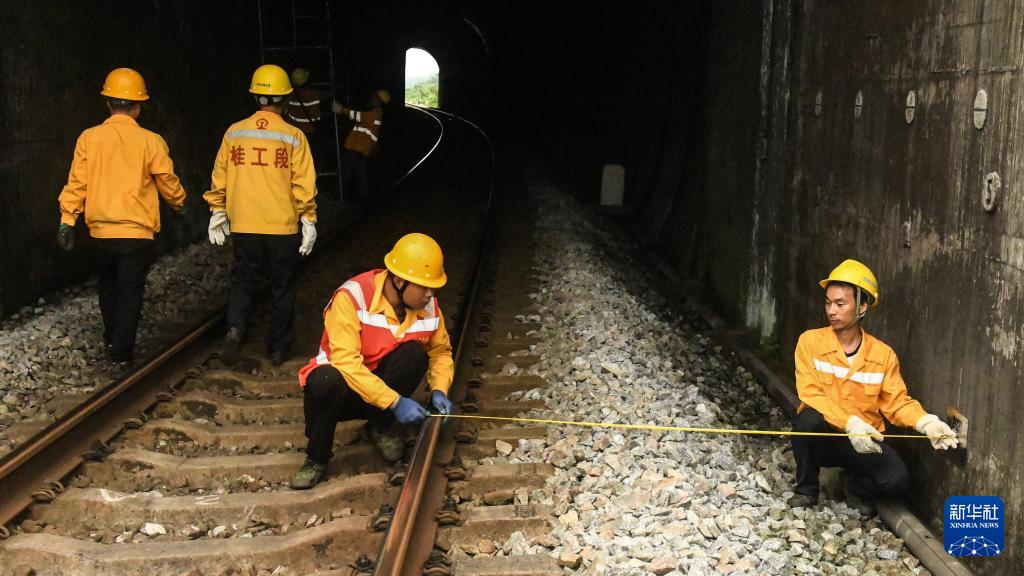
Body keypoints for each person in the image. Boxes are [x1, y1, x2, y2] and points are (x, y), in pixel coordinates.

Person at [788, 259, 959, 513]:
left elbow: (896, 402)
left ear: (862, 306)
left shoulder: (882, 355)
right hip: (824, 437)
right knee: (806, 422)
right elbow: (811, 393)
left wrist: (925, 422)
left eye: (840, 304)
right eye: (828, 302)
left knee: (897, 480)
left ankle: (854, 486)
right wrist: (850, 423)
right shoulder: (810, 342)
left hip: (863, 441)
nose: (831, 311)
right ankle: (806, 490)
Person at [290, 233, 455, 489]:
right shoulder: (352, 297)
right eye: (424, 287)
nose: (430, 294)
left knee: (414, 354)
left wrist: (439, 390)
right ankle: (316, 458)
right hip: (342, 393)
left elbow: (440, 352)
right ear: (398, 281)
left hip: (380, 393)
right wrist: (396, 402)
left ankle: (379, 426)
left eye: (433, 287)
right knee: (324, 379)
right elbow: (346, 364)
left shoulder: (429, 306)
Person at [57, 68, 187, 369]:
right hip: (136, 233)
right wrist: (179, 205)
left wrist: (67, 220)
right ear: (139, 106)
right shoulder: (151, 141)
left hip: (101, 232)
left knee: (108, 286)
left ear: (108, 103)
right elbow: (167, 181)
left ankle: (111, 339)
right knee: (130, 291)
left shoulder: (88, 138)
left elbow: (77, 183)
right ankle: (121, 353)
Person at [204, 64, 318, 366]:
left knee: (243, 279)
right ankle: (278, 348)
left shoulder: (235, 132)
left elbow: (220, 175)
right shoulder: (294, 136)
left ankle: (235, 329)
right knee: (282, 286)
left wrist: (218, 210)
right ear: (285, 99)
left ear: (256, 97)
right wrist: (308, 219)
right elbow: (303, 184)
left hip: (244, 224)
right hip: (282, 226)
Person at [331, 89, 389, 202]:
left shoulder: (375, 114)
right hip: (354, 146)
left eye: (374, 97)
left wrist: (341, 109)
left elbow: (359, 116)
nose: (371, 98)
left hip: (359, 149)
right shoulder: (373, 112)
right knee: (351, 172)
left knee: (358, 174)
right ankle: (346, 194)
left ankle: (364, 197)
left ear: (379, 101)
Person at [285, 68, 322, 135]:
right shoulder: (312, 94)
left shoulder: (289, 94)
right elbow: (316, 114)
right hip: (309, 130)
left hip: (293, 130)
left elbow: (286, 111)